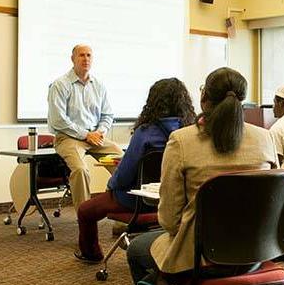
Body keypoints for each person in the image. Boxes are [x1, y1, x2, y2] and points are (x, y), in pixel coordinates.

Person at [126, 67, 278, 283]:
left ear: (204, 97)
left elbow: (170, 221)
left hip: (201, 258)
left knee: (136, 250)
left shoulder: (181, 141)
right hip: (258, 251)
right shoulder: (265, 138)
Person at [74, 78, 196, 263]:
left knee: (85, 210)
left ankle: (92, 254)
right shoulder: (191, 131)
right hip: (178, 199)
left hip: (138, 201)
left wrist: (111, 186)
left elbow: (124, 176)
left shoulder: (145, 133)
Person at [48, 44, 123, 211]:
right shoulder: (60, 85)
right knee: (81, 170)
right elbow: (58, 120)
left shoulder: (98, 85)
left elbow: (107, 115)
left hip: (96, 137)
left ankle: (120, 206)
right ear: (73, 59)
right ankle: (85, 216)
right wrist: (85, 135)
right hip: (68, 138)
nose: (86, 59)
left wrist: (100, 131)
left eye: (89, 55)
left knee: (124, 162)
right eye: (81, 55)